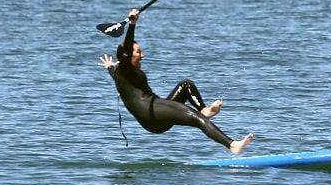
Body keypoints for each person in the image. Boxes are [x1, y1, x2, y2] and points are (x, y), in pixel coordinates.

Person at [98, 9, 253, 155]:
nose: (142, 55)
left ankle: (204, 110)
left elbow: (115, 71)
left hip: (156, 112)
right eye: (138, 52)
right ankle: (232, 145)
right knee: (195, 118)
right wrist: (132, 25)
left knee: (186, 85)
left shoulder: (120, 73)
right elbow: (125, 51)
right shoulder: (125, 70)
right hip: (150, 114)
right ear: (127, 56)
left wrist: (109, 67)